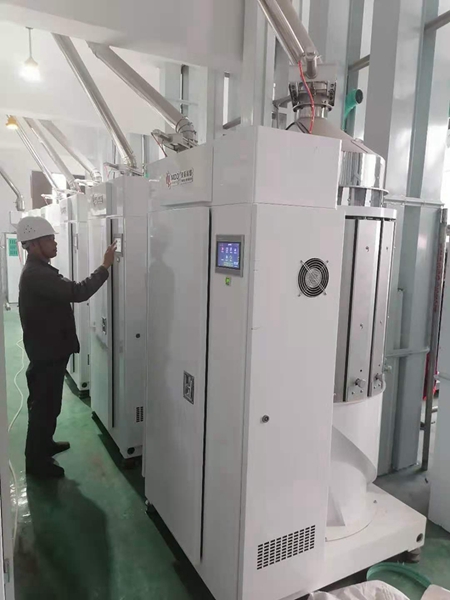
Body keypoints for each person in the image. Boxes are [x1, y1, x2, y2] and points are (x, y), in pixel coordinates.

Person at [17, 215, 116, 479]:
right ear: (33, 244)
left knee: (49, 405)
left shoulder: (39, 270)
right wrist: (105, 266)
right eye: (49, 239)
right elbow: (78, 292)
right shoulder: (37, 274)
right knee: (44, 408)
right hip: (46, 353)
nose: (55, 243)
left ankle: (45, 445)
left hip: (48, 350)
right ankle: (37, 463)